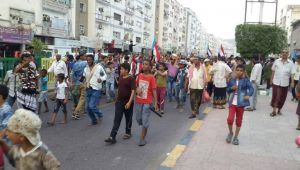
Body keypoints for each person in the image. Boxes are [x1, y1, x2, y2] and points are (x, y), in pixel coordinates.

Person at [105, 63, 136, 144]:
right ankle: (112, 136)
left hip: (128, 102)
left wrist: (129, 102)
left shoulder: (131, 78)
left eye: (122, 69)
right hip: (119, 102)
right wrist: (117, 98)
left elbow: (133, 91)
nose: (120, 70)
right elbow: (119, 89)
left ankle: (128, 132)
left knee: (128, 118)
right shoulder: (121, 77)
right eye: (120, 69)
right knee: (117, 119)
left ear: (126, 70)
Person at [226, 64, 253, 145]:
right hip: (232, 103)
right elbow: (227, 90)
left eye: (241, 71)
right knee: (230, 119)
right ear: (235, 71)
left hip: (241, 103)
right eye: (237, 70)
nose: (239, 72)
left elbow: (251, 88)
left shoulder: (245, 80)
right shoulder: (231, 80)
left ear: (244, 72)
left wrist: (249, 95)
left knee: (238, 120)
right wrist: (231, 88)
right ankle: (231, 133)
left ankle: (236, 137)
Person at [135, 59, 158, 146]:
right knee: (138, 119)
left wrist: (155, 102)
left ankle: (142, 139)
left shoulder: (151, 77)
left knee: (144, 121)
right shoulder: (139, 75)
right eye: (143, 64)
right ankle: (144, 125)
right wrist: (137, 89)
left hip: (147, 102)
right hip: (139, 101)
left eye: (146, 64)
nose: (144, 66)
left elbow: (154, 90)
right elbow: (136, 85)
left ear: (149, 66)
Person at [82, 54, 107, 125]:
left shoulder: (99, 67)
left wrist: (101, 79)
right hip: (88, 89)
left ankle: (100, 114)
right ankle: (94, 120)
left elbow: (104, 75)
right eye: (87, 60)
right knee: (88, 108)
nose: (88, 61)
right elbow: (84, 77)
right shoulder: (85, 68)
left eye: (90, 60)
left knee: (91, 106)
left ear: (93, 60)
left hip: (96, 89)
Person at [270, 49, 294, 117]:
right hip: (276, 82)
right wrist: (271, 80)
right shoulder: (277, 61)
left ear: (288, 54)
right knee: (276, 96)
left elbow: (292, 73)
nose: (284, 54)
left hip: (285, 83)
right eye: (283, 52)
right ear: (281, 53)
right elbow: (273, 71)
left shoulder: (291, 63)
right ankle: (274, 111)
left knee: (282, 97)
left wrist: (292, 82)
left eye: (286, 53)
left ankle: (279, 109)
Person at [70, 53, 87, 120]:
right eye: (85, 56)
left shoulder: (75, 64)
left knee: (78, 98)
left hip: (76, 83)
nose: (86, 57)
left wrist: (72, 83)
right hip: (83, 82)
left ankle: (77, 111)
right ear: (81, 56)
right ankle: (76, 112)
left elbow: (72, 74)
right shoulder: (85, 63)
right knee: (82, 98)